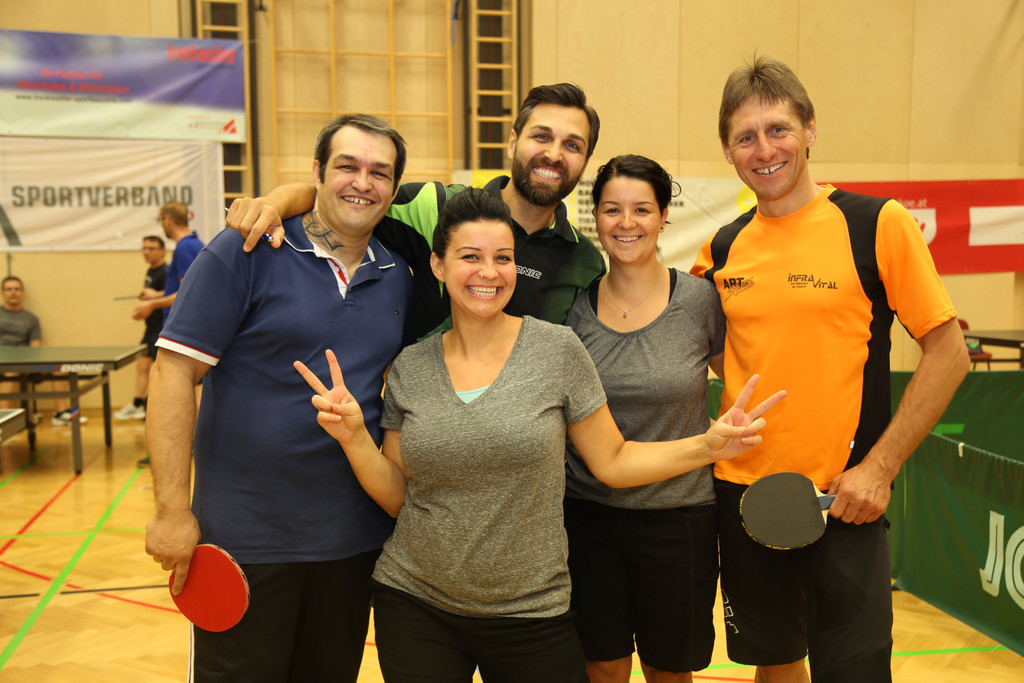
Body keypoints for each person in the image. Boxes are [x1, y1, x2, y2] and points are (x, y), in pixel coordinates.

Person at [294, 188, 785, 683]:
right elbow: (400, 496)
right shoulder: (411, 367)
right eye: (470, 257)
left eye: (502, 258)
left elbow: (612, 461)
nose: (489, 272)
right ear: (439, 266)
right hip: (416, 602)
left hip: (532, 609)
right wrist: (355, 438)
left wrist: (707, 446)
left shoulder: (557, 349)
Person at [690, 56, 970, 682]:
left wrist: (879, 468)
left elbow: (949, 354)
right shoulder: (722, 248)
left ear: (811, 128)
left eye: (779, 129)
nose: (765, 150)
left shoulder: (877, 223)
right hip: (744, 497)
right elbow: (715, 349)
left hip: (847, 500)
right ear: (728, 151)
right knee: (776, 667)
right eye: (745, 137)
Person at [144, 114, 414, 681]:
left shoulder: (399, 275)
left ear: (394, 188)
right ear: (316, 172)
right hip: (245, 542)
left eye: (379, 173)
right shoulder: (244, 249)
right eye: (347, 166)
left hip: (352, 545)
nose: (362, 182)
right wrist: (171, 510)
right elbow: (173, 374)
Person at [226, 82, 605, 337]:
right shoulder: (437, 206)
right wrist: (273, 204)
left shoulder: (585, 262)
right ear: (512, 142)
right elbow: (349, 198)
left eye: (572, 145)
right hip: (421, 419)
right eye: (541, 136)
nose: (553, 154)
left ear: (585, 161)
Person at [563, 155, 725, 683]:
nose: (626, 222)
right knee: (602, 666)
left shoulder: (701, 301)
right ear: (595, 217)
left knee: (668, 670)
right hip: (588, 517)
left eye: (642, 209)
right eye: (612, 209)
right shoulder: (574, 312)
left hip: (679, 521)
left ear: (663, 217)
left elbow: (745, 382)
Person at [0, 275, 87, 425]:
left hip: (24, 363)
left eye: (16, 289)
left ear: (22, 292)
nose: (13, 292)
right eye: (9, 289)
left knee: (59, 368)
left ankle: (60, 413)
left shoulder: (31, 319)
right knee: (12, 372)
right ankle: (4, 421)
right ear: (2, 293)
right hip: (3, 363)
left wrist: (27, 363)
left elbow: (35, 346)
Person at [114, 236, 167, 421]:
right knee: (142, 364)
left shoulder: (165, 272)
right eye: (144, 248)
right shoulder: (150, 270)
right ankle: (137, 403)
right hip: (150, 327)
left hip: (162, 327)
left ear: (162, 251)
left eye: (151, 248)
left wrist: (156, 295)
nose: (146, 252)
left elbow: (176, 294)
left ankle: (150, 406)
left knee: (157, 370)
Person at [131, 201, 204, 323]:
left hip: (182, 323)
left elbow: (188, 294)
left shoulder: (184, 248)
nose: (162, 225)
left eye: (162, 220)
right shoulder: (195, 243)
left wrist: (152, 304)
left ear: (168, 220)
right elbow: (189, 288)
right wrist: (157, 295)